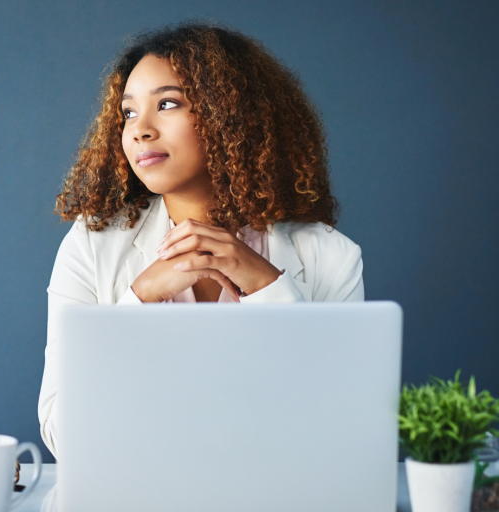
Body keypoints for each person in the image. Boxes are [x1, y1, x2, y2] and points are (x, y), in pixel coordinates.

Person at [37, 23, 364, 459]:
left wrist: (269, 286)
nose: (140, 130)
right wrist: (139, 300)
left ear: (232, 116)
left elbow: (342, 435)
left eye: (167, 104)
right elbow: (65, 439)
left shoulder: (332, 257)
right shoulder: (90, 245)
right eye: (128, 113)